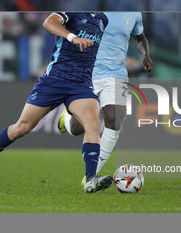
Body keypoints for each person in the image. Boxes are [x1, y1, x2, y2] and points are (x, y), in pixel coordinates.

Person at [0, 12, 113, 193]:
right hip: (54, 81)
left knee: (93, 124)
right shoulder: (73, 13)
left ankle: (91, 178)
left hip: (81, 84)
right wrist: (72, 37)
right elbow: (49, 22)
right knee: (22, 128)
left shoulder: (103, 19)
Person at [57, 12, 153, 185]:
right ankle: (66, 120)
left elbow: (140, 38)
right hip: (87, 73)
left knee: (114, 119)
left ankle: (91, 175)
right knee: (78, 128)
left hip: (116, 76)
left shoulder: (133, 14)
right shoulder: (89, 11)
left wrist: (145, 55)